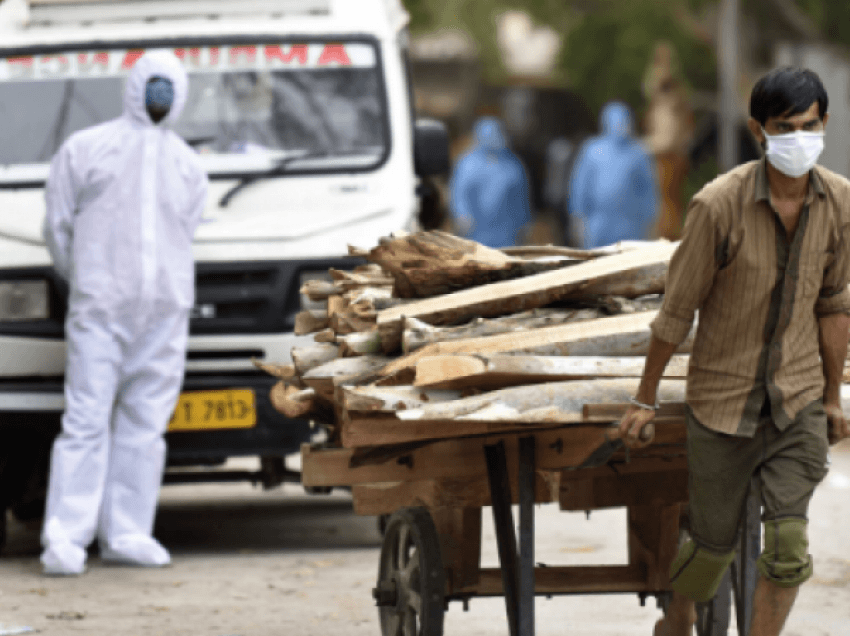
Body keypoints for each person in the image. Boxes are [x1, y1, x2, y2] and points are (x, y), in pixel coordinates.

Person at [618, 67, 850, 636]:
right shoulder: (717, 206)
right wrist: (644, 401)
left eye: (810, 125)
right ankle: (675, 622)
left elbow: (834, 303)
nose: (800, 137)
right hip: (722, 403)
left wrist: (832, 395)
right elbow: (677, 311)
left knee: (789, 546)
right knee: (712, 546)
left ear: (825, 124)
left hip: (795, 401)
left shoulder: (840, 201)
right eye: (785, 127)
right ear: (758, 130)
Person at [40, 51, 208, 575]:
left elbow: (186, 232)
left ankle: (128, 532)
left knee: (145, 424)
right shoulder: (85, 149)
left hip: (163, 311)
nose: (159, 97)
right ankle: (65, 538)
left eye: (168, 89)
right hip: (101, 309)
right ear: (135, 86)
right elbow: (57, 228)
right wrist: (90, 283)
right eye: (152, 86)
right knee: (86, 419)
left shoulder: (188, 164)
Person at [568, 101, 658, 248]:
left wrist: (650, 221)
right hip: (598, 222)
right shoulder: (592, 150)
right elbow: (580, 185)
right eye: (615, 120)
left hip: (630, 224)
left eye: (624, 120)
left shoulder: (638, 153)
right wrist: (577, 218)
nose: (620, 125)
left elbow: (648, 189)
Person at [449, 117, 531, 248]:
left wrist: (524, 222)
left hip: (506, 232)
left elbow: (520, 196)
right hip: (475, 232)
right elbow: (459, 193)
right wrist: (462, 214)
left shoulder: (512, 163)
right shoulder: (467, 163)